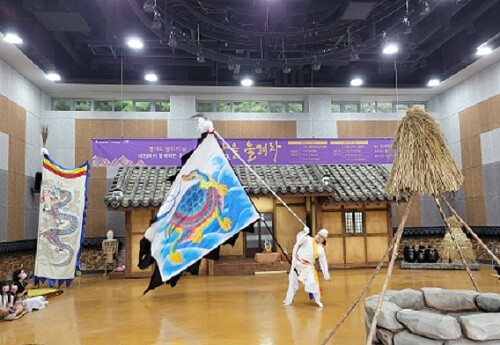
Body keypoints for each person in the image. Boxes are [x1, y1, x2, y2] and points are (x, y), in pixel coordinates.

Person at [283, 227, 330, 308]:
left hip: (308, 267)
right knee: (292, 283)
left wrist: (326, 275)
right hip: (297, 264)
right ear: (316, 234)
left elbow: (323, 262)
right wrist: (305, 232)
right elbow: (299, 240)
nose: (319, 237)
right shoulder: (307, 239)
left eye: (322, 237)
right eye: (319, 235)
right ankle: (288, 300)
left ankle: (317, 300)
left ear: (323, 240)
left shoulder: (320, 249)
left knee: (313, 283)